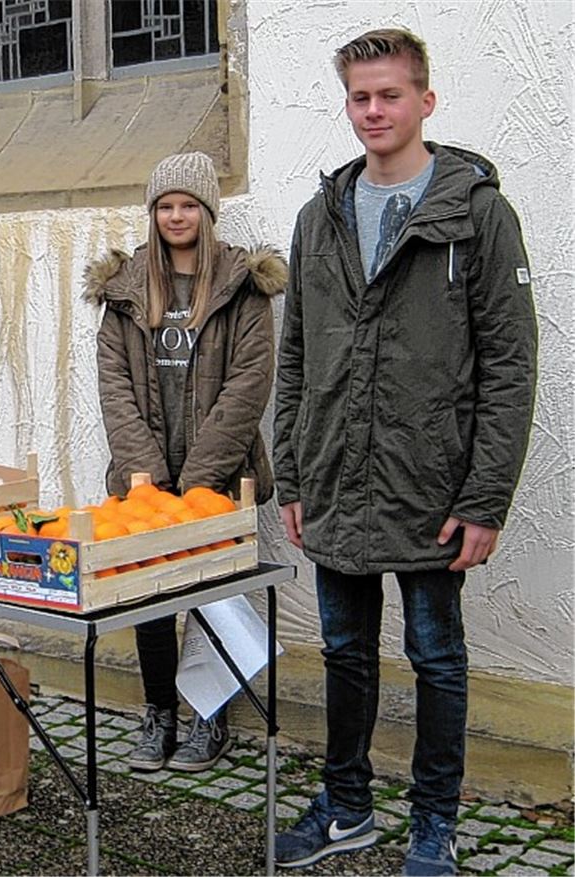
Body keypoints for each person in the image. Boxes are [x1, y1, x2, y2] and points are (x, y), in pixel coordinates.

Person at [271, 29, 537, 877]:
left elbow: (508, 364)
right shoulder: (321, 217)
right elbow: (297, 355)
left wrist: (485, 497)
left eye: (390, 95)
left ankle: (434, 823)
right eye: (360, 97)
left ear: (426, 101)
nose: (374, 111)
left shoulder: (476, 214)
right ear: (347, 104)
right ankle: (348, 807)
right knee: (344, 653)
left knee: (436, 657)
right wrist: (296, 474)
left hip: (432, 487)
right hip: (338, 482)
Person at [85, 151, 286, 773]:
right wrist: (149, 476)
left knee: (209, 596)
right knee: (146, 598)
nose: (177, 215)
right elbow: (114, 384)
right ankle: (158, 713)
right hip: (143, 480)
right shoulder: (126, 287)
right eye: (165, 205)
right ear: (153, 213)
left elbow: (251, 382)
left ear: (208, 212)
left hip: (217, 475)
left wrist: (198, 479)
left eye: (188, 205)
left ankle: (208, 717)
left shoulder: (241, 286)